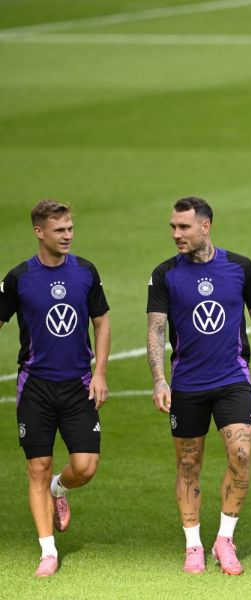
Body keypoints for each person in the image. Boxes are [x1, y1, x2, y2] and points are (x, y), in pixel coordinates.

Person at [146, 197, 251, 575]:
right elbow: (156, 331)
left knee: (240, 455)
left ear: (206, 226)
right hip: (187, 384)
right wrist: (159, 379)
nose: (176, 234)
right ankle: (193, 546)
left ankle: (225, 539)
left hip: (232, 380)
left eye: (184, 227)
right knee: (188, 462)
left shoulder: (240, 268)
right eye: (173, 227)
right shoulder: (164, 274)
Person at [0, 200, 110, 577]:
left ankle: (59, 490)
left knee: (86, 466)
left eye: (70, 228)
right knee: (37, 467)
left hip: (79, 383)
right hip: (36, 386)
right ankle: (47, 551)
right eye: (60, 230)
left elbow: (102, 323)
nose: (68, 235)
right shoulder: (18, 278)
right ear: (39, 232)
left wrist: (100, 373)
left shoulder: (85, 272)